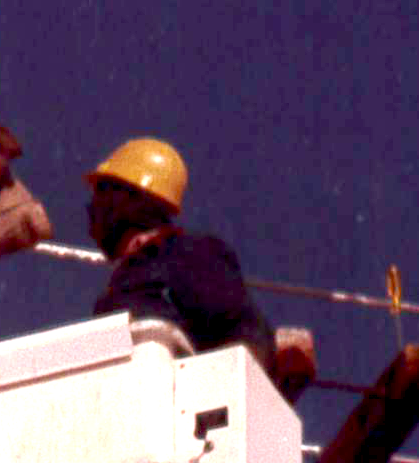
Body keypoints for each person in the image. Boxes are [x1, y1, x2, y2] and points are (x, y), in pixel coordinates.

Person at [85, 136, 284, 376]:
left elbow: (245, 329)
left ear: (133, 198)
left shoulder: (186, 254)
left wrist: (221, 396)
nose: (91, 207)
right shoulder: (121, 283)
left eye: (102, 192)